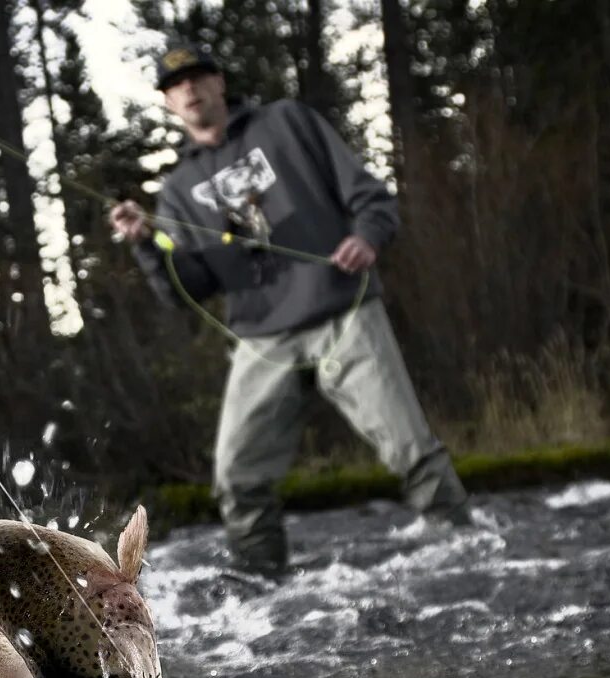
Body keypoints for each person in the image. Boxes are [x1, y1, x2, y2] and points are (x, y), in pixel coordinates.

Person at [110, 41, 471, 577]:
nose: (188, 88)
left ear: (219, 83)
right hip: (262, 340)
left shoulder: (287, 123)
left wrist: (368, 238)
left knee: (413, 450)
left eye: (197, 77)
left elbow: (371, 196)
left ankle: (469, 556)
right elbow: (188, 286)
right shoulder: (178, 189)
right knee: (238, 481)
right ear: (167, 103)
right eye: (175, 85)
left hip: (342, 312)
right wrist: (145, 244)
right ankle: (266, 592)